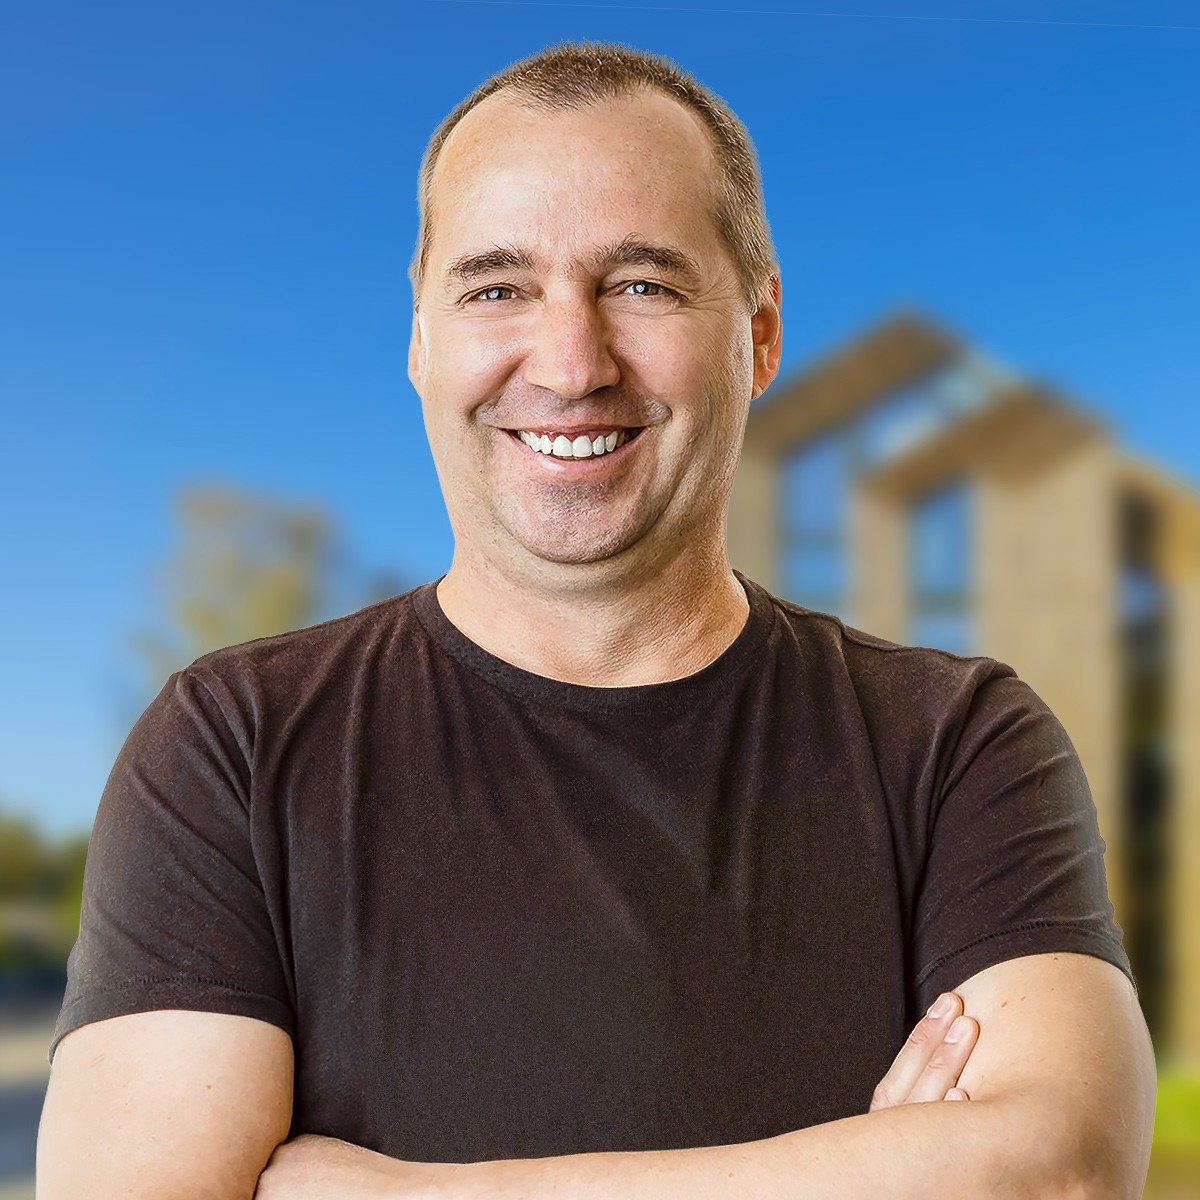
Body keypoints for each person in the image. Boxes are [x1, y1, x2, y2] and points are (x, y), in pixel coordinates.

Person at [38, 41, 1155, 1200]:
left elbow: (1054, 1172)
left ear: (760, 335)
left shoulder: (953, 743)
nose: (571, 364)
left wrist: (403, 1196)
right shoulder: (233, 746)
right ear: (422, 340)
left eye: (641, 284)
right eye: (496, 288)